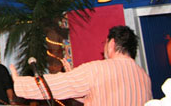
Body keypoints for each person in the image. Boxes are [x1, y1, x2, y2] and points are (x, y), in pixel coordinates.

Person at [11, 25, 152, 106]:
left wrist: (20, 83)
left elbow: (55, 86)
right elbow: (104, 97)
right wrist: (73, 76)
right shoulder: (143, 76)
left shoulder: (98, 69)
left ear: (111, 44)